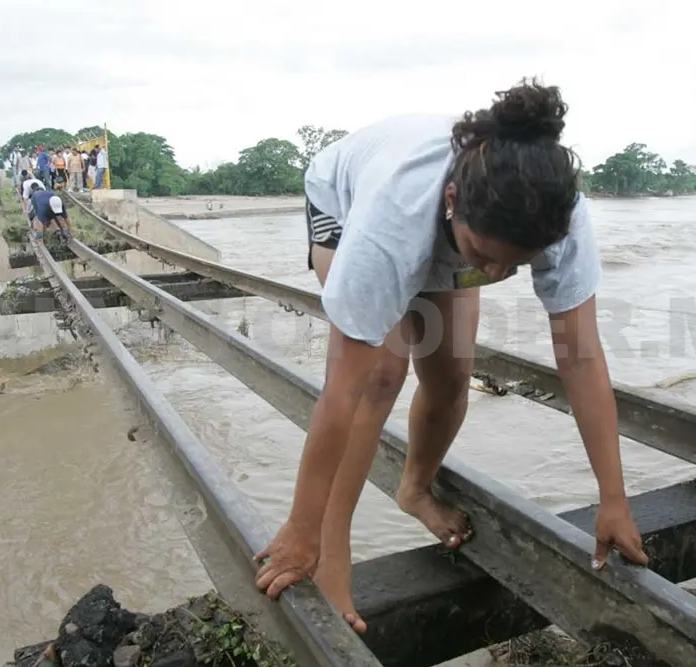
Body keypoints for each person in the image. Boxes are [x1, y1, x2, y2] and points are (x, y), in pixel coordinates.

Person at [252, 79, 648, 633]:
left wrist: (613, 498)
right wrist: (302, 531)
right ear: (453, 200)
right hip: (344, 204)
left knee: (451, 378)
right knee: (382, 375)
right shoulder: (390, 222)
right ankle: (334, 555)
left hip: (448, 230)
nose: (494, 275)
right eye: (486, 258)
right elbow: (344, 391)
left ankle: (414, 488)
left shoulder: (557, 215)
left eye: (513, 266)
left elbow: (581, 359)